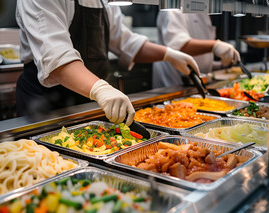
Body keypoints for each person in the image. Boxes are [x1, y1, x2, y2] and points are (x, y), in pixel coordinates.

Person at [15, 0, 199, 126]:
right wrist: (100, 89)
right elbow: (55, 56)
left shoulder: (104, 1)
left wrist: (169, 54)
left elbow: (125, 41)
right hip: (47, 108)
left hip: (89, 105)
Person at [152, 9, 241, 89]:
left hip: (198, 85)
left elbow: (199, 58)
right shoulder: (173, 8)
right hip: (173, 84)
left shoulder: (203, 10)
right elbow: (179, 46)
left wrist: (219, 65)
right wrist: (214, 46)